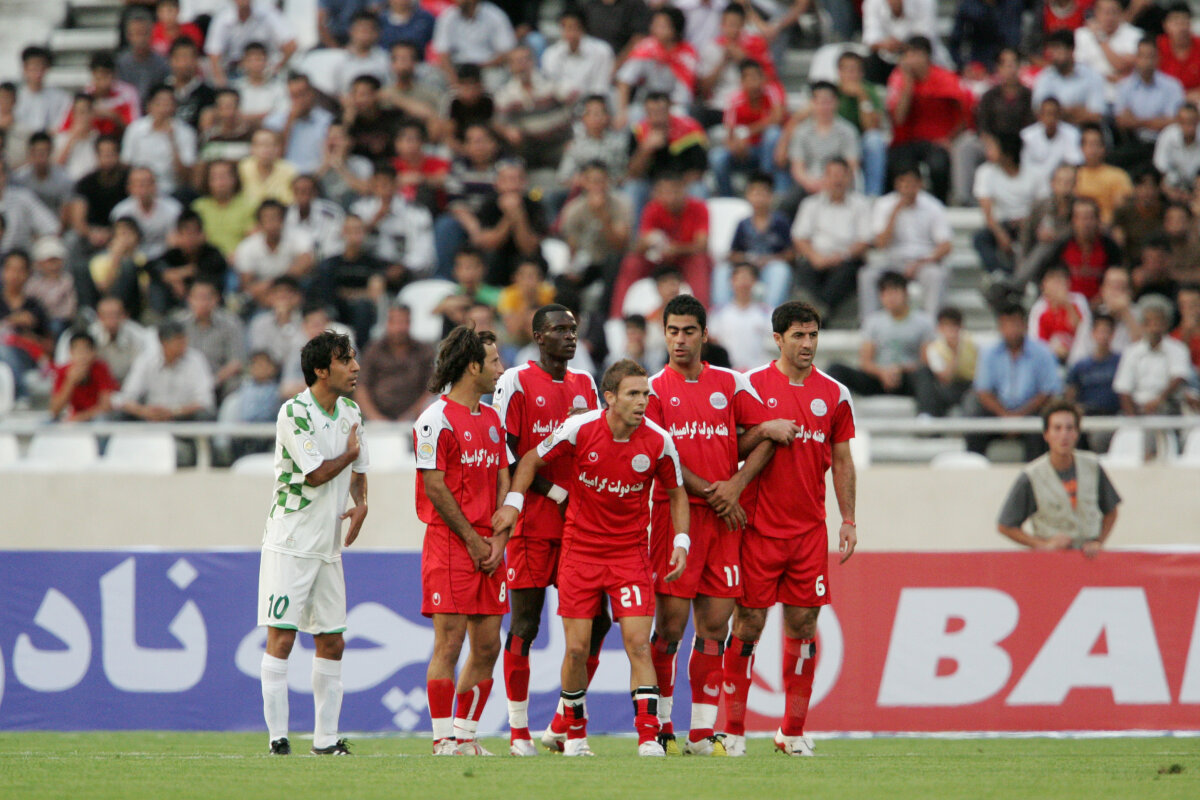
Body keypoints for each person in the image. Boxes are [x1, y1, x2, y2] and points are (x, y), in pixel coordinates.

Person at [495, 358, 689, 757]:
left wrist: (681, 541)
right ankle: (575, 735)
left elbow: (677, 493)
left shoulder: (658, 441)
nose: (642, 401)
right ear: (610, 397)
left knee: (638, 644)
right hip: (580, 552)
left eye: (645, 394)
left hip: (629, 555)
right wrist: (513, 504)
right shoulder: (580, 428)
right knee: (576, 649)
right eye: (633, 394)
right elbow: (530, 459)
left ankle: (648, 736)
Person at [642, 295, 778, 756]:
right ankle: (662, 724)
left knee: (715, 626)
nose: (680, 340)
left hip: (724, 520)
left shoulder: (731, 383)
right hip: (675, 516)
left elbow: (769, 434)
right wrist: (717, 492)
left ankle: (701, 731)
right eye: (672, 331)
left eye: (688, 331)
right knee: (670, 627)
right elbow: (664, 458)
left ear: (704, 334)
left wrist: (737, 484)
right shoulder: (653, 390)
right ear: (664, 334)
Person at [721, 301, 857, 758]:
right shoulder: (750, 386)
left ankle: (791, 732)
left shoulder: (835, 394)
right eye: (798, 335)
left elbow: (843, 461)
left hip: (808, 532)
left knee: (804, 624)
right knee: (748, 624)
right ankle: (734, 731)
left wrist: (849, 520)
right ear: (778, 339)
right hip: (758, 528)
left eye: (812, 335)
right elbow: (731, 447)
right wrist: (763, 430)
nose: (807, 343)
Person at [488, 304, 605, 755]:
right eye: (559, 329)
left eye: (573, 329)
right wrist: (556, 493)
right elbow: (507, 454)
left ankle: (561, 721)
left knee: (598, 623)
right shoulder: (516, 381)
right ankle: (518, 730)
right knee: (525, 624)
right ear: (538, 336)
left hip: (580, 526)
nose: (569, 336)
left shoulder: (586, 384)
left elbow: (596, 446)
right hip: (533, 523)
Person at [257, 330, 368, 757]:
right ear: (321, 370)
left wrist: (361, 503)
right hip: (290, 540)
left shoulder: (351, 411)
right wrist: (349, 456)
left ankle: (324, 740)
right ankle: (278, 739)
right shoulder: (294, 412)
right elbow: (318, 473)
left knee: (332, 641)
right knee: (282, 638)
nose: (355, 367)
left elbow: (360, 469)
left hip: (327, 547)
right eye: (346, 360)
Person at [413, 325, 509, 756]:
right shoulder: (433, 420)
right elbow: (435, 486)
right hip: (451, 544)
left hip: (490, 545)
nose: (500, 369)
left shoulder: (492, 419)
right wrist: (472, 540)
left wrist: (500, 539)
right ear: (472, 366)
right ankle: (442, 739)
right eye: (494, 361)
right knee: (449, 643)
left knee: (488, 645)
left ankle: (466, 735)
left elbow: (503, 478)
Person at [997, 400, 1120, 556]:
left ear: (1077, 433)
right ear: (1046, 434)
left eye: (1069, 428)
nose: (1064, 435)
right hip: (1052, 560)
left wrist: (1099, 541)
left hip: (1088, 557)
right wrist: (1041, 545)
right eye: (1057, 428)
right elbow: (1005, 525)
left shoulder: (1093, 467)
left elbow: (1111, 511)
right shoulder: (1032, 475)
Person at [965, 303, 1063, 459]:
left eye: (1015, 324)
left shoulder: (1042, 352)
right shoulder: (989, 353)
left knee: (1043, 426)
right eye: (1006, 325)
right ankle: (973, 468)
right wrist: (1005, 416)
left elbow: (1047, 392)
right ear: (1000, 327)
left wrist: (1019, 417)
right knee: (975, 423)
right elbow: (983, 391)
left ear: (1024, 326)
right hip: (998, 411)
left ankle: (1034, 473)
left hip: (1031, 412)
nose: (1011, 330)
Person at [885, 35, 973, 203]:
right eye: (906, 55)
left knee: (938, 164)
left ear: (925, 56)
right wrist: (908, 85)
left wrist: (950, 139)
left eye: (913, 54)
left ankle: (941, 204)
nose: (908, 60)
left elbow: (964, 112)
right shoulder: (898, 78)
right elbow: (899, 118)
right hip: (906, 141)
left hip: (936, 141)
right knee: (897, 164)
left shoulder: (945, 78)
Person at [827, 271, 935, 401]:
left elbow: (925, 362)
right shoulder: (873, 322)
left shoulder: (923, 322)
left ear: (906, 293)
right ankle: (827, 411)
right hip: (878, 377)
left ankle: (927, 411)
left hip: (907, 378)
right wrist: (882, 372)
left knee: (924, 375)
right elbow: (865, 362)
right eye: (885, 293)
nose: (890, 298)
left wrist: (900, 369)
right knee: (835, 370)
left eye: (894, 292)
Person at [614, 172, 713, 315]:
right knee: (631, 262)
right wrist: (648, 242)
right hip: (660, 260)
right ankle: (618, 317)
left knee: (700, 261)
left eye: (674, 192)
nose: (670, 198)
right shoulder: (652, 208)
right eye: (665, 193)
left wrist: (676, 249)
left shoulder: (699, 208)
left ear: (683, 190)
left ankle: (702, 315)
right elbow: (638, 247)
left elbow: (702, 246)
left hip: (686, 259)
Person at [865, 164, 952, 318]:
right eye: (903, 183)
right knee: (867, 275)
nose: (907, 189)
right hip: (893, 261)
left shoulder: (933, 206)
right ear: (896, 184)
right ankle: (868, 323)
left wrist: (922, 262)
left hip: (923, 261)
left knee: (936, 275)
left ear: (920, 184)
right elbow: (881, 244)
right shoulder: (884, 204)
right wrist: (895, 212)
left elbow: (946, 245)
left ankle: (931, 324)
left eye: (911, 184)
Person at [791, 158, 873, 318]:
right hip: (817, 257)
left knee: (846, 272)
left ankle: (817, 312)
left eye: (841, 175)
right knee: (805, 269)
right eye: (833, 175)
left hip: (847, 258)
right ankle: (819, 312)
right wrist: (815, 257)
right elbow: (799, 237)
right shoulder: (810, 204)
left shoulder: (861, 205)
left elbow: (865, 240)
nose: (837, 180)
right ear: (824, 178)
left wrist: (841, 256)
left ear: (849, 178)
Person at [709, 59, 787, 198]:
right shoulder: (734, 100)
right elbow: (729, 135)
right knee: (717, 157)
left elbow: (777, 118)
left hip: (768, 151)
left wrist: (748, 132)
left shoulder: (771, 92)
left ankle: (765, 181)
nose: (753, 83)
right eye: (749, 78)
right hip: (747, 151)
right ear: (742, 81)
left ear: (763, 79)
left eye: (756, 77)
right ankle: (727, 197)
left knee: (773, 134)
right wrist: (736, 146)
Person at [716, 173, 793, 309]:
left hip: (770, 266)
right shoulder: (743, 224)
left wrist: (769, 259)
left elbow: (790, 254)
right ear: (748, 196)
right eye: (755, 193)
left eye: (763, 194)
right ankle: (722, 311)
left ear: (771, 196)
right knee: (722, 271)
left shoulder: (781, 222)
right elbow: (733, 253)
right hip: (747, 266)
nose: (759, 199)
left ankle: (771, 313)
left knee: (780, 270)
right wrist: (746, 259)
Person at [116, 320, 216, 421]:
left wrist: (174, 412)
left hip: (183, 417)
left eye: (184, 340)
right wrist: (143, 411)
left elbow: (205, 401)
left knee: (205, 416)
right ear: (163, 342)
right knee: (119, 415)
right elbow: (126, 397)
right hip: (151, 416)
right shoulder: (146, 361)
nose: (184, 345)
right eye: (178, 341)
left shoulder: (196, 360)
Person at [972, 133, 1041, 278]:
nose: (988, 152)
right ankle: (1000, 275)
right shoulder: (985, 172)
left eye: (992, 148)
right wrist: (1000, 234)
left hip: (1029, 223)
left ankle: (1032, 277)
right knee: (980, 238)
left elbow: (1042, 206)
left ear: (1007, 153)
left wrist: (1028, 223)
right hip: (1003, 224)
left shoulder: (1034, 172)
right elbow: (988, 213)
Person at [782, 80, 861, 204]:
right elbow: (797, 167)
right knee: (786, 205)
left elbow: (852, 165)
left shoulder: (848, 131)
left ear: (836, 102)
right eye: (820, 102)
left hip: (839, 183)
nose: (824, 107)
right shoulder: (801, 131)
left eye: (828, 102)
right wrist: (810, 183)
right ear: (812, 103)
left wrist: (831, 182)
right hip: (809, 183)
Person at [1114, 294, 1195, 415]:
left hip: (1169, 408)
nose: (1154, 327)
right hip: (1139, 409)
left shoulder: (1178, 349)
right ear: (1142, 324)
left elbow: (1179, 377)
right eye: (1149, 322)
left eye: (1158, 321)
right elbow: (1123, 387)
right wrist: (1133, 418)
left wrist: (1159, 400)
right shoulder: (1131, 352)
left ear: (1166, 323)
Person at [1112, 37, 1185, 168]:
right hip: (1134, 142)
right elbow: (1121, 121)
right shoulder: (1124, 86)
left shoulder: (1172, 86)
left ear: (1158, 58)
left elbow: (1173, 121)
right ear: (1136, 58)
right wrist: (1156, 121)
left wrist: (1137, 121)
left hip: (1164, 142)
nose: (1146, 62)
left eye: (1151, 56)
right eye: (1142, 56)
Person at [355, 303, 435, 421]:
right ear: (387, 323)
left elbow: (432, 389)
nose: (399, 328)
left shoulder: (424, 351)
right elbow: (361, 387)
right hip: (376, 420)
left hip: (416, 419)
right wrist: (375, 418)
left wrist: (412, 415)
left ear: (410, 323)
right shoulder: (373, 350)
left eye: (403, 322)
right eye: (394, 322)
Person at [176, 278, 245, 399]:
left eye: (206, 298)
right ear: (189, 299)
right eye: (197, 298)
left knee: (236, 384)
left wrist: (211, 382)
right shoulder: (178, 324)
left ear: (216, 299)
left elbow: (236, 362)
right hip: (185, 381)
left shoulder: (230, 323)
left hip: (219, 381)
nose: (202, 303)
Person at [1046, 197, 1123, 304]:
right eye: (1080, 218)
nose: (1085, 223)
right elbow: (1052, 278)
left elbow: (1118, 279)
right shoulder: (1061, 246)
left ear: (1097, 220)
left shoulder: (1110, 247)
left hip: (1103, 305)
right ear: (1073, 221)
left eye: (1089, 218)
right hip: (1068, 306)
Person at [205, 0, 298, 88]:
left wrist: (277, 68)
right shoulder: (222, 18)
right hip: (234, 73)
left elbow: (291, 45)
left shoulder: (268, 13)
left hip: (266, 71)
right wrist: (222, 84)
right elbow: (214, 54)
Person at [709, 262, 774, 371]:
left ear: (755, 282)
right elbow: (713, 342)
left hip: (758, 371)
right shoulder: (718, 313)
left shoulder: (767, 313)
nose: (743, 283)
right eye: (739, 278)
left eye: (748, 278)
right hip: (727, 371)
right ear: (731, 281)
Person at [1032, 30, 1106, 126]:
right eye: (1052, 50)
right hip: (1054, 130)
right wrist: (1076, 111)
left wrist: (1057, 112)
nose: (1054, 55)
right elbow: (1039, 111)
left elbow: (1096, 115)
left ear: (1071, 50)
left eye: (1058, 49)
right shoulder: (1045, 77)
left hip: (1084, 130)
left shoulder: (1091, 76)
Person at [264, 75, 334, 175]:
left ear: (312, 94)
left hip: (317, 175)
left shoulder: (327, 121)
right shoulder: (274, 121)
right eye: (294, 96)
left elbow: (331, 157)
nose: (299, 100)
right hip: (283, 176)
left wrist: (314, 178)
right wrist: (290, 122)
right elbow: (274, 156)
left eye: (302, 94)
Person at [108, 167, 182, 261]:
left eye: (148, 183)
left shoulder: (173, 209)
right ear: (129, 187)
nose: (143, 188)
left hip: (164, 258)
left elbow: (175, 239)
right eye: (138, 184)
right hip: (131, 259)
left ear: (155, 185)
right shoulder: (120, 211)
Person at [542, 10, 615, 99]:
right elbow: (551, 84)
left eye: (572, 27)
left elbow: (601, 87)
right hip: (561, 103)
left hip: (594, 102)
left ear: (582, 28)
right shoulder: (551, 54)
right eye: (564, 27)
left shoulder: (602, 51)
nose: (569, 32)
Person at [920, 306, 977, 417]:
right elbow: (945, 378)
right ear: (939, 328)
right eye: (946, 326)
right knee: (936, 392)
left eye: (953, 326)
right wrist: (955, 353)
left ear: (961, 327)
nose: (950, 330)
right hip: (950, 387)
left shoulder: (973, 343)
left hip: (971, 385)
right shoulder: (934, 348)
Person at [49, 331, 119, 422]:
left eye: (86, 351)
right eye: (78, 351)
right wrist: (70, 382)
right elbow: (54, 410)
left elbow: (106, 405)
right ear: (71, 353)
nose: (82, 356)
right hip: (76, 419)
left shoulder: (100, 368)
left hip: (96, 417)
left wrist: (80, 418)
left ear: (93, 352)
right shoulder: (63, 371)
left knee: (101, 419)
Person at [1073, 123, 1134, 224]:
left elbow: (1122, 208)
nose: (1093, 150)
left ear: (1104, 148)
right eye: (1089, 144)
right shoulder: (1073, 174)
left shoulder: (1118, 175)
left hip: (1108, 226)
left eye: (1097, 144)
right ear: (1082, 148)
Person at [1066, 313, 1123, 416]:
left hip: (1115, 414)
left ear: (1113, 334)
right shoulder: (1081, 366)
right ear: (1093, 334)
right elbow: (1071, 392)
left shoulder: (1121, 362)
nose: (1103, 336)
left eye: (1107, 332)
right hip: (1087, 414)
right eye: (1100, 331)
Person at [1020, 97, 1084, 185]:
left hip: (1061, 183)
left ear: (1060, 115)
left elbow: (1075, 162)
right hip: (1033, 183)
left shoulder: (1072, 133)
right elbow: (1024, 166)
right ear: (1040, 116)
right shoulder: (1027, 136)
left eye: (1055, 114)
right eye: (1047, 114)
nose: (1051, 118)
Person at [1154, 103, 1200, 201]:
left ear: (1198, 121)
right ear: (1178, 121)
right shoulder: (1167, 135)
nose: (1188, 126)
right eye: (1184, 122)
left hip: (1196, 189)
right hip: (1171, 187)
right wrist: (1171, 191)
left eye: (1192, 121)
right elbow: (1160, 167)